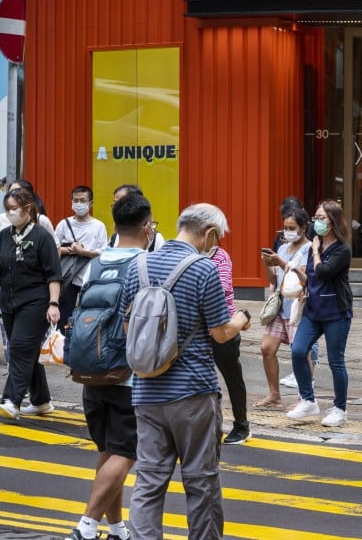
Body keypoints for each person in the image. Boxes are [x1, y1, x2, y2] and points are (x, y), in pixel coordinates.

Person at [122, 203, 251, 539]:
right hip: (193, 393)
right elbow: (220, 332)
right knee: (201, 481)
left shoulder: (138, 265)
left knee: (148, 480)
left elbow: (127, 329)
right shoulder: (203, 270)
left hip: (146, 392)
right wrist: (242, 319)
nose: (216, 244)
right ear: (208, 233)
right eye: (217, 238)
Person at [65, 193, 153, 540]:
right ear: (147, 227)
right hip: (127, 377)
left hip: (91, 371)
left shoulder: (96, 263)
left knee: (108, 455)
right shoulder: (146, 264)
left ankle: (116, 529)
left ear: (114, 226)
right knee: (125, 454)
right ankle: (86, 527)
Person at [0, 187, 62, 420]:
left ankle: (11, 400)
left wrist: (54, 303)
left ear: (28, 208)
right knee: (28, 351)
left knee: (18, 348)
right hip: (9, 303)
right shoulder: (5, 235)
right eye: (7, 209)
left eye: (14, 208)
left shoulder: (42, 237)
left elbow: (53, 274)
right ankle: (41, 400)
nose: (10, 213)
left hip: (35, 302)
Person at [286, 200, 353, 427]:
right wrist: (300, 282)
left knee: (336, 361)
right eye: (316, 217)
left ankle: (340, 409)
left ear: (333, 221)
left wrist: (315, 251)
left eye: (322, 218)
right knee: (297, 350)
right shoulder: (316, 246)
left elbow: (323, 272)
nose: (317, 222)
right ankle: (308, 400)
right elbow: (312, 278)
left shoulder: (342, 250)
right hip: (313, 310)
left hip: (336, 312)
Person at [256, 206, 313, 408]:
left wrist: (279, 262)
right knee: (267, 348)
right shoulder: (282, 248)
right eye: (285, 227)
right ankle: (274, 394)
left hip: (298, 308)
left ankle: (305, 398)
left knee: (300, 353)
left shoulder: (308, 249)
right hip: (281, 307)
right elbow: (274, 278)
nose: (288, 231)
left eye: (292, 227)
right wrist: (266, 264)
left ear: (303, 227)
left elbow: (302, 278)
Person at [208, 241, 251, 445]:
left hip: (225, 328)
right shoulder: (191, 255)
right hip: (199, 331)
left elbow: (221, 289)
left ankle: (242, 426)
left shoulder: (221, 256)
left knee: (233, 378)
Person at [55, 185, 108, 331]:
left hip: (90, 280)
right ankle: (63, 348)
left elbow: (103, 252)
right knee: (64, 318)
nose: (79, 204)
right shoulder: (64, 224)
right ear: (71, 202)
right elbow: (53, 249)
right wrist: (71, 250)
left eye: (83, 200)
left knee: (88, 318)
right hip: (68, 279)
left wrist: (83, 252)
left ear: (91, 203)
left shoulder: (98, 226)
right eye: (76, 200)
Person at [0, 179, 57, 268]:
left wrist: (52, 272)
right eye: (11, 192)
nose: (13, 195)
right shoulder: (0, 220)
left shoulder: (41, 220)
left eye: (17, 192)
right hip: (6, 276)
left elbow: (55, 247)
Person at [108, 184, 163, 250]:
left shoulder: (156, 239)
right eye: (115, 204)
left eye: (121, 203)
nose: (116, 208)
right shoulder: (114, 238)